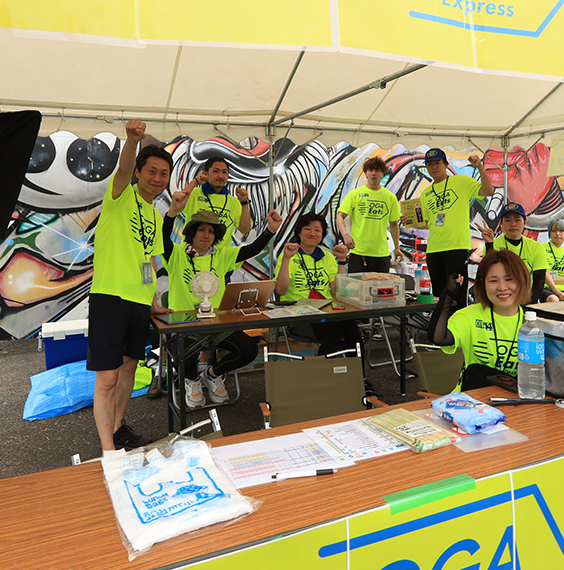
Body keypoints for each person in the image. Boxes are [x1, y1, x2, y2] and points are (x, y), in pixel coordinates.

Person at [87, 120, 172, 452]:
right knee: (107, 378)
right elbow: (122, 170)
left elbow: (147, 261)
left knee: (128, 368)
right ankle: (108, 451)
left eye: (163, 174)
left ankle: (119, 427)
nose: (157, 178)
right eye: (151, 171)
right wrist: (132, 141)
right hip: (110, 295)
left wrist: (151, 300)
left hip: (138, 302)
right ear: (139, 172)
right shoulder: (120, 196)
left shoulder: (155, 215)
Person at [161, 199, 282, 408]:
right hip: (184, 325)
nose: (206, 235)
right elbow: (163, 238)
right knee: (182, 355)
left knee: (248, 350)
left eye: (211, 231)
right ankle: (192, 380)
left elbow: (251, 249)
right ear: (192, 233)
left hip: (217, 325)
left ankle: (212, 374)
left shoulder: (222, 255)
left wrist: (270, 230)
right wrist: (171, 213)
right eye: (201, 230)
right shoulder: (176, 255)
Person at [430, 249, 532, 391]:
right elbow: (438, 338)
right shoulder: (469, 316)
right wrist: (448, 294)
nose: (502, 287)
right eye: (493, 281)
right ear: (483, 284)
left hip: (517, 399)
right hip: (471, 398)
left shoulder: (535, 323)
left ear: (523, 280)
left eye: (509, 279)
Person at [275, 211, 359, 355]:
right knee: (334, 331)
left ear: (322, 234)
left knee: (352, 330)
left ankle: (357, 370)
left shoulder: (327, 257)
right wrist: (286, 259)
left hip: (325, 312)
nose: (312, 233)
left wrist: (341, 261)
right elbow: (281, 291)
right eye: (307, 229)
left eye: (317, 230)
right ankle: (323, 368)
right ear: (299, 233)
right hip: (298, 316)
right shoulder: (288, 256)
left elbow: (337, 292)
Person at [417, 148, 493, 308]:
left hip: (456, 249)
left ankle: (456, 325)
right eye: (430, 164)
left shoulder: (461, 182)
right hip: (433, 250)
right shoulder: (425, 193)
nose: (434, 167)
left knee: (457, 298)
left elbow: (488, 190)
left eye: (437, 163)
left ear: (446, 164)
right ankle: (441, 325)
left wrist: (480, 167)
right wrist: (409, 222)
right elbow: (428, 223)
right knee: (439, 299)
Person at [478, 202, 562, 303]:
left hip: (526, 296)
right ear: (501, 223)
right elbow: (488, 271)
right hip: (502, 295)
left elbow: (539, 280)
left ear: (525, 222)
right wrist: (489, 243)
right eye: (508, 220)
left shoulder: (536, 247)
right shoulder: (493, 244)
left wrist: (530, 303)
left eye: (517, 220)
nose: (513, 224)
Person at [338, 156, 404, 274]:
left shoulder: (390, 197)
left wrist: (397, 248)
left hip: (382, 254)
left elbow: (394, 224)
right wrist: (345, 235)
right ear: (366, 173)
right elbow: (340, 216)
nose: (374, 173)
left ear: (382, 173)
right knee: (356, 285)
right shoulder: (355, 194)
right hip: (358, 253)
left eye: (377, 170)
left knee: (380, 285)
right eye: (370, 170)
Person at [179, 155, 252, 248]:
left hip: (220, 256)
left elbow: (245, 230)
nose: (220, 176)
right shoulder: (195, 193)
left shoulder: (233, 201)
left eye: (224, 172)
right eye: (216, 171)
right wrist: (195, 182)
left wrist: (244, 202)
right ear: (206, 173)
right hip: (191, 254)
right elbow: (177, 204)